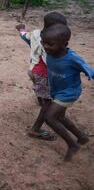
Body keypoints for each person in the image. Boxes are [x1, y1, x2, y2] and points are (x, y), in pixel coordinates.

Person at [41, 23, 93, 161]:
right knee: (60, 117)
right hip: (57, 91)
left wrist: (90, 73)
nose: (45, 47)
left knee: (50, 118)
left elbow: (86, 67)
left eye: (50, 44)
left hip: (69, 92)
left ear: (64, 44)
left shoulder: (72, 58)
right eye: (43, 43)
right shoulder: (51, 52)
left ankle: (72, 145)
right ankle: (82, 137)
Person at [15, 12, 67, 141]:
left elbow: (25, 37)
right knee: (48, 104)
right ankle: (35, 129)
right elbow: (53, 62)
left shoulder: (36, 33)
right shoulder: (51, 43)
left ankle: (41, 99)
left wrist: (21, 29)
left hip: (32, 70)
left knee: (41, 90)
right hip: (42, 74)